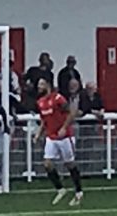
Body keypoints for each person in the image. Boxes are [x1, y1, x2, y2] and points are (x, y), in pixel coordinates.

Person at [34, 77, 83, 207]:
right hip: (51, 136)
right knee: (47, 164)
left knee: (70, 164)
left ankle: (79, 191)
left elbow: (71, 113)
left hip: (64, 137)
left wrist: (64, 127)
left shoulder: (58, 98)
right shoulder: (40, 102)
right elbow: (44, 120)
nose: (39, 87)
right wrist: (39, 133)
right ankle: (60, 189)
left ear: (48, 85)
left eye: (41, 84)